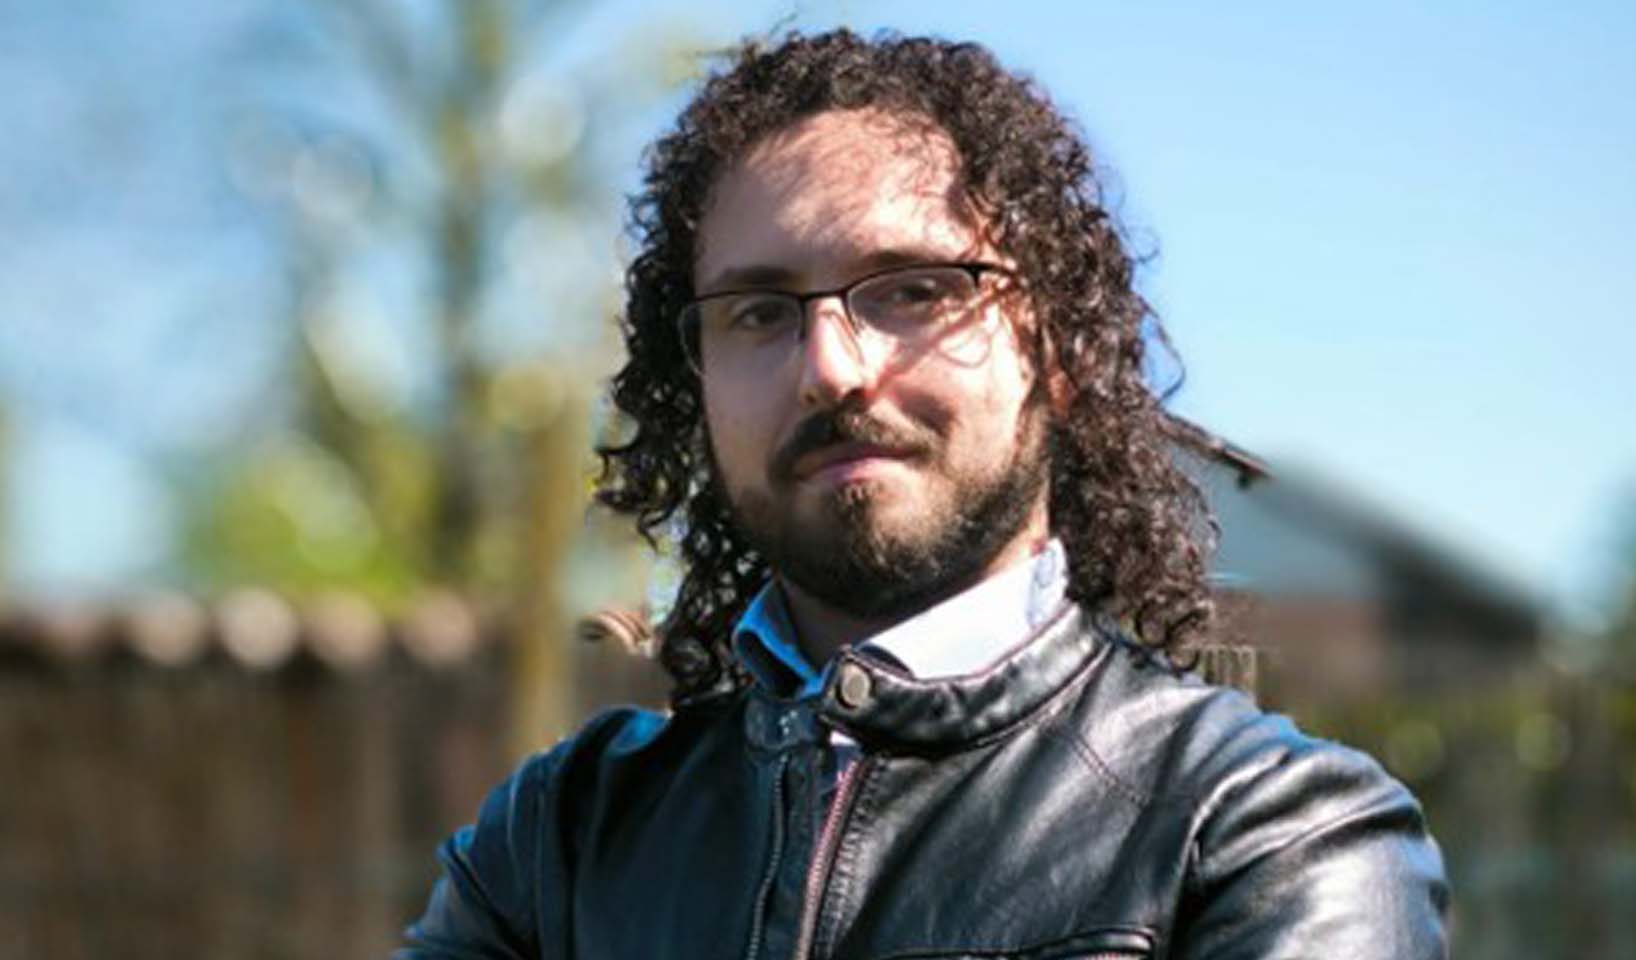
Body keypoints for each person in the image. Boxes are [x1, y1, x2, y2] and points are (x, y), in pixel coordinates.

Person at [399, 29, 1448, 959]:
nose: (831, 368)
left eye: (911, 290)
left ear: (1057, 349)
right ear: (697, 384)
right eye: (759, 311)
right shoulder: (559, 842)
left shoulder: (1271, 834)